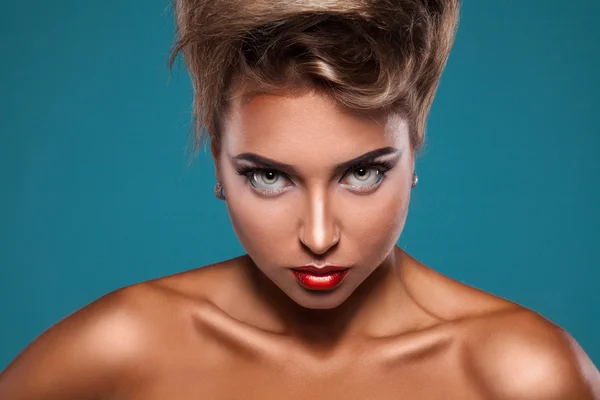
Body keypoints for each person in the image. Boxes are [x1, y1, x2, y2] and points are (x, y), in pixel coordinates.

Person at [1, 0, 599, 398]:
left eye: (362, 173)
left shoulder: (520, 373)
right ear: (217, 159)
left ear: (413, 152)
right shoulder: (128, 342)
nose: (318, 237)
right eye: (269, 177)